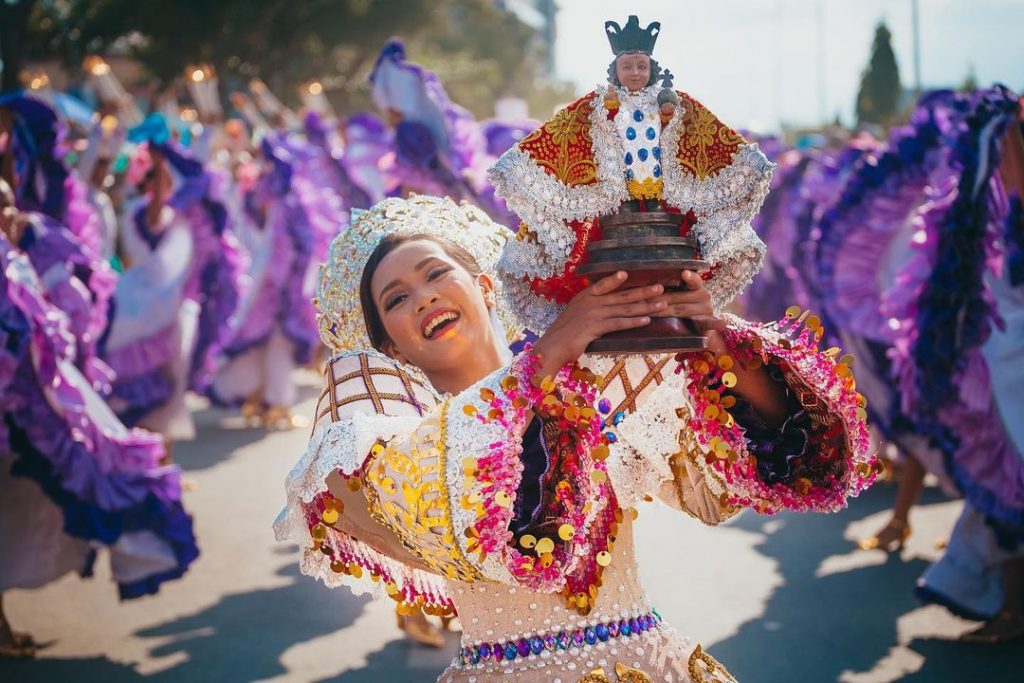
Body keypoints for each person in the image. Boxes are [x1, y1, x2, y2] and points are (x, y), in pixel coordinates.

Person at [277, 194, 875, 681]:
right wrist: (540, 361)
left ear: (485, 287)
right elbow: (432, 504)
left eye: (437, 273)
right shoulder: (391, 441)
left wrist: (708, 337)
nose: (425, 295)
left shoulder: (591, 381)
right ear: (391, 346)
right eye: (397, 299)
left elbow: (748, 467)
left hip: (650, 664)